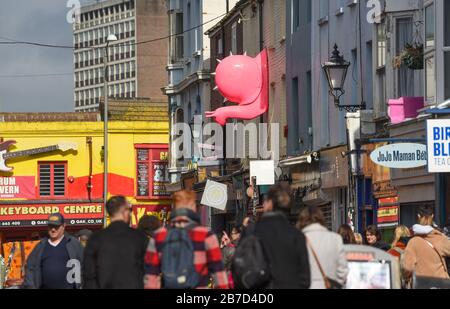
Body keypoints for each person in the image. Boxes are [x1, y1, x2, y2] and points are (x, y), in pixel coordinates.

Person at [144, 190, 229, 289]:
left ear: (174, 208)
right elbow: (219, 274)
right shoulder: (205, 235)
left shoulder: (158, 236)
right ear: (193, 207)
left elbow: (151, 277)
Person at [242, 184, 310, 289]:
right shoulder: (297, 235)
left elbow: (240, 268)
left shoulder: (253, 231)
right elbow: (305, 278)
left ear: (269, 204)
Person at [83, 196, 149, 289]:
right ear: (124, 211)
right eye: (130, 209)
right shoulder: (139, 238)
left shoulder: (95, 239)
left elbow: (89, 275)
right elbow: (148, 272)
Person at [23, 213, 84, 289]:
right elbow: (30, 268)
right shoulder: (41, 246)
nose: (53, 229)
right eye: (50, 226)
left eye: (56, 226)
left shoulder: (73, 244)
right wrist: (30, 286)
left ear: (64, 226)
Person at [299, 207, 348, 289]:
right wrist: (335, 283)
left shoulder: (298, 239)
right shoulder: (335, 238)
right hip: (329, 285)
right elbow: (343, 270)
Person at [403, 207, 450, 280]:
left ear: (418, 216)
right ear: (432, 216)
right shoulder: (440, 239)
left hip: (421, 284)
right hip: (441, 283)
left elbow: (407, 268)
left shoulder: (413, 242)